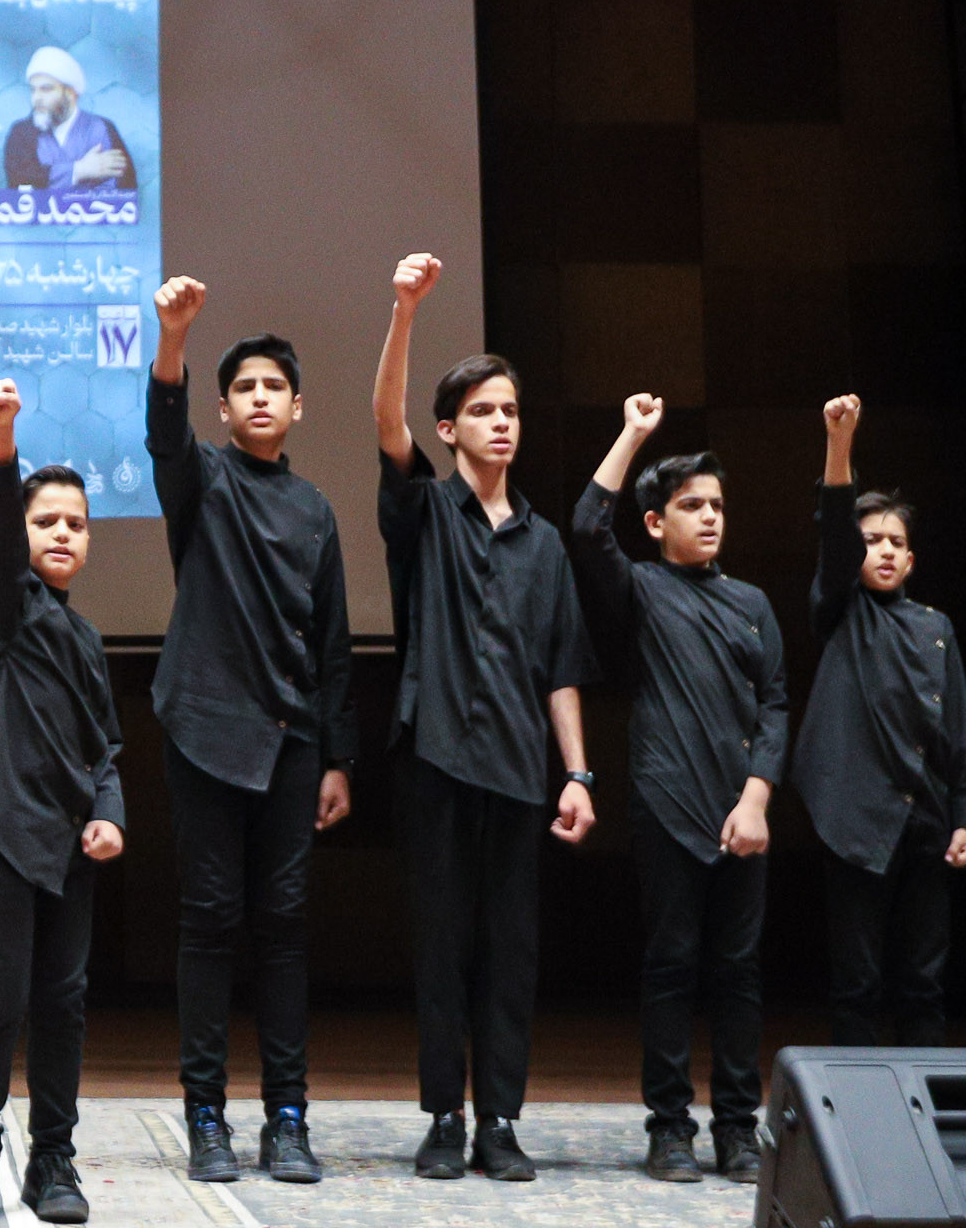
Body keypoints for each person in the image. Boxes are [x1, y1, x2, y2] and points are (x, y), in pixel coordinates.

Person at [370, 255, 597, 1183]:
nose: (502, 422)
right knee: (442, 949)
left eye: (510, 410)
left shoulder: (545, 545)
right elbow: (385, 421)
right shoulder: (425, 510)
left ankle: (499, 1119)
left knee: (511, 952)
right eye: (483, 410)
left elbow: (561, 669)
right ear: (449, 428)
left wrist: (577, 774)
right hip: (435, 760)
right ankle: (444, 1117)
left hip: (516, 769)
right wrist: (404, 311)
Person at [146, 275, 354, 1185]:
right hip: (204, 732)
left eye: (275, 386)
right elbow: (163, 431)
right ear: (224, 410)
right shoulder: (203, 481)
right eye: (245, 388)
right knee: (209, 923)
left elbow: (333, 643)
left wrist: (337, 758)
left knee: (284, 928)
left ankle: (288, 1117)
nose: (261, 397)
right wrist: (174, 338)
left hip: (292, 740)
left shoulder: (315, 509)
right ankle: (206, 1118)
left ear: (297, 407)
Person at [567, 391, 787, 1184]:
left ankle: (737, 1130)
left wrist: (757, 799)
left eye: (717, 505)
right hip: (667, 804)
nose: (710, 517)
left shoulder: (752, 603)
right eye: (692, 506)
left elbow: (775, 706)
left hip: (742, 816)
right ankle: (669, 1130)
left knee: (739, 974)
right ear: (656, 523)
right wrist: (632, 435)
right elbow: (587, 527)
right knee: (670, 967)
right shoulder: (641, 589)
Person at [0, 379, 127, 1228]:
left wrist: (110, 813)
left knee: (62, 1004)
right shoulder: (5, 607)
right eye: (45, 520)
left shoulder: (87, 638)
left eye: (75, 524)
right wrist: (1, 441)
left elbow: (105, 748)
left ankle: (53, 1157)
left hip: (67, 843)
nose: (61, 533)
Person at [796, 395, 966, 1046]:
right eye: (872, 540)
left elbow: (959, 730)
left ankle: (923, 1099)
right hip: (855, 817)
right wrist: (840, 443)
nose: (883, 551)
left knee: (924, 981)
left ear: (911, 560)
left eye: (896, 543)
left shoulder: (936, 627)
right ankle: (856, 1102)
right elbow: (833, 529)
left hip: (926, 818)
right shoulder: (841, 608)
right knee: (857, 981)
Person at [1, 46, 135, 190]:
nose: (36, 98)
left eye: (46, 89)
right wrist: (79, 170)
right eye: (33, 90)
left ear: (70, 93)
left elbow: (122, 187)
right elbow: (19, 180)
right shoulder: (21, 132)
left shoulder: (100, 128)